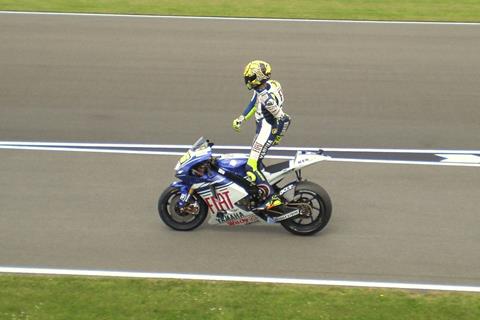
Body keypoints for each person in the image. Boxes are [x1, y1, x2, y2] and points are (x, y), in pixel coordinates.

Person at [232, 60, 291, 210]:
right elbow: (253, 102)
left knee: (250, 167)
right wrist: (242, 118)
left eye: (249, 77)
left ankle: (272, 198)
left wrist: (277, 136)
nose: (246, 80)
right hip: (262, 130)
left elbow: (284, 119)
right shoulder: (269, 85)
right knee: (257, 163)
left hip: (266, 131)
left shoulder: (267, 98)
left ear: (256, 78)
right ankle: (259, 193)